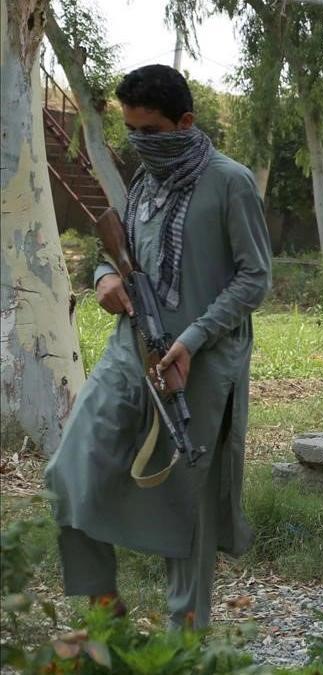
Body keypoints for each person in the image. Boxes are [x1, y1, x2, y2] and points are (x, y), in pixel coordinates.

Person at [44, 65, 272, 627]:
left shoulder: (229, 181)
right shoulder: (144, 180)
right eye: (130, 130)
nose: (138, 142)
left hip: (201, 362)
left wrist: (193, 339)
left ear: (185, 122)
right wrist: (105, 279)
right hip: (130, 352)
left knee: (185, 509)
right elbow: (114, 251)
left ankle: (183, 645)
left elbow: (254, 278)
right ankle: (103, 608)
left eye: (148, 131)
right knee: (69, 469)